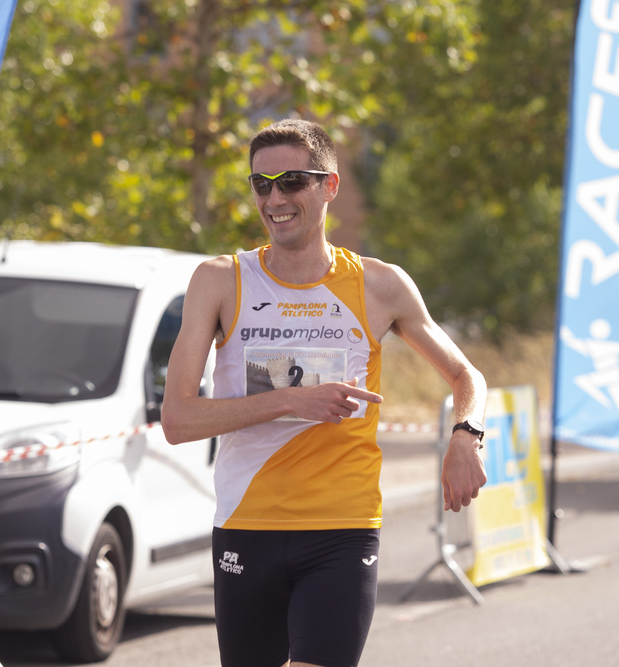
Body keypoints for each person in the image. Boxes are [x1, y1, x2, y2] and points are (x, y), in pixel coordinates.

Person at [161, 118, 488, 667]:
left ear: (329, 186)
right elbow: (178, 420)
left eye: (291, 181)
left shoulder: (380, 285)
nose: (275, 198)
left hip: (342, 528)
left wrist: (466, 434)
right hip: (248, 524)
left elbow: (466, 377)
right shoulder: (219, 280)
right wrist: (290, 399)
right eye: (261, 184)